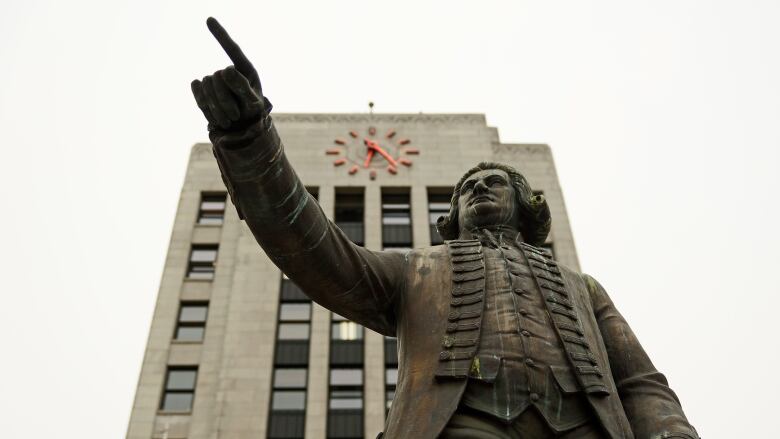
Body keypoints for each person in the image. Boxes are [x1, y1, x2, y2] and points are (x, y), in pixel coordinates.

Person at [191, 17, 699, 439]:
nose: (478, 189)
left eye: (493, 181)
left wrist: (672, 433)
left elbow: (640, 382)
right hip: (464, 425)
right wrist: (248, 138)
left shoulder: (582, 288)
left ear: (525, 203)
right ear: (450, 216)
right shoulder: (416, 271)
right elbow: (310, 246)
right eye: (466, 188)